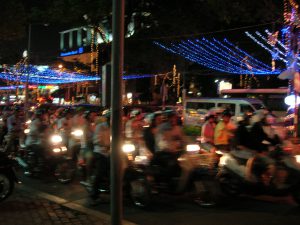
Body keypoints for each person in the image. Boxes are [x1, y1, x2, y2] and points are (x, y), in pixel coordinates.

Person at [89, 109, 111, 206]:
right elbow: (96, 140)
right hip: (100, 152)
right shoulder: (100, 127)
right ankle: (94, 196)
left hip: (111, 153)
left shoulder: (115, 128)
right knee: (100, 172)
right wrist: (106, 145)